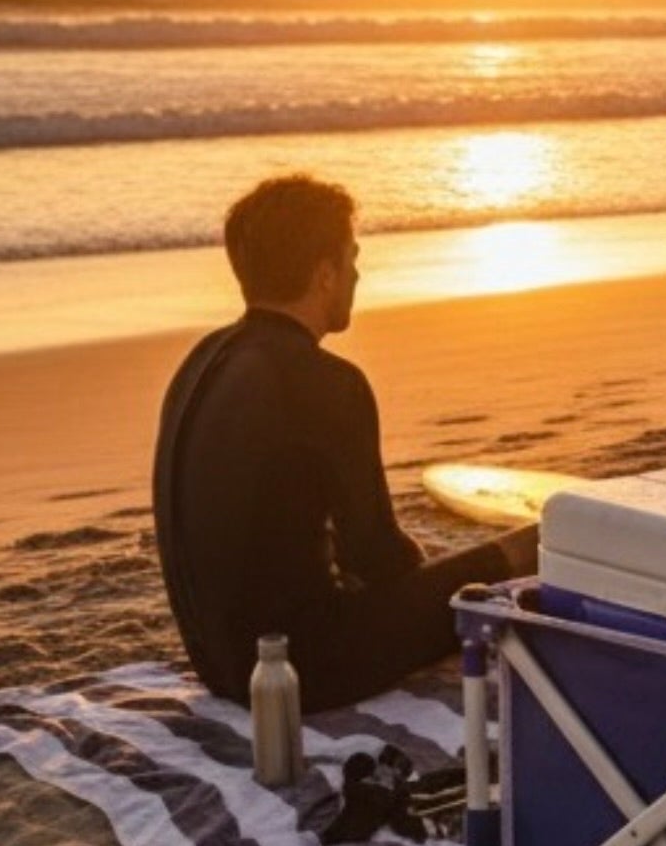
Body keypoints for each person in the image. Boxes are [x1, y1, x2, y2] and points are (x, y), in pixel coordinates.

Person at [153, 174, 537, 713]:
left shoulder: (201, 361)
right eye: (352, 258)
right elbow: (378, 556)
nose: (358, 273)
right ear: (325, 275)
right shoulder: (327, 382)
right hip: (305, 669)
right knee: (530, 546)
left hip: (217, 664)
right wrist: (431, 583)